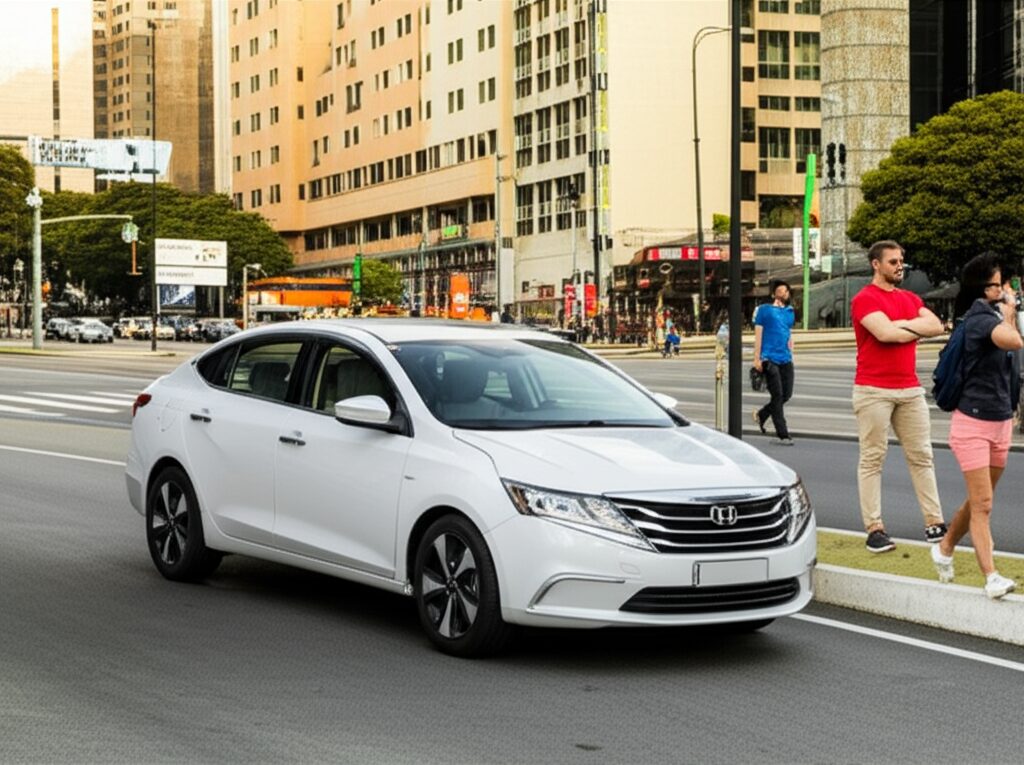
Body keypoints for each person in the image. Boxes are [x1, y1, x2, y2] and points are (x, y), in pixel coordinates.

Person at [931, 254, 1021, 599]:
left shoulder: (994, 313)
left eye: (1003, 283)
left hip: (1000, 421)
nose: (1002, 289)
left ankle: (945, 546)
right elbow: (1012, 341)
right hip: (972, 424)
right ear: (981, 288)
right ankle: (991, 577)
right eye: (996, 284)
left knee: (979, 499)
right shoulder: (982, 318)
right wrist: (1010, 312)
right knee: (983, 504)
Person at [851, 240, 946, 553]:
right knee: (872, 458)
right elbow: (885, 335)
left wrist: (901, 325)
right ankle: (875, 528)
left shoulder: (910, 297)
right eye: (893, 261)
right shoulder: (864, 299)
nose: (899, 265)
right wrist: (913, 328)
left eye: (901, 260)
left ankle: (935, 523)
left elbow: (936, 326)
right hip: (872, 390)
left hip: (910, 389)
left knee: (922, 456)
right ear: (876, 265)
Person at [751, 280, 795, 445]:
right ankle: (783, 434)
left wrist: (791, 347)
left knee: (786, 394)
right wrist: (757, 358)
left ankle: (762, 414)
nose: (785, 293)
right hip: (769, 358)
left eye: (786, 291)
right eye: (781, 290)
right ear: (774, 293)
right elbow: (758, 333)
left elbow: (788, 331)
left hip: (786, 357)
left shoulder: (790, 312)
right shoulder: (765, 310)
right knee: (777, 395)